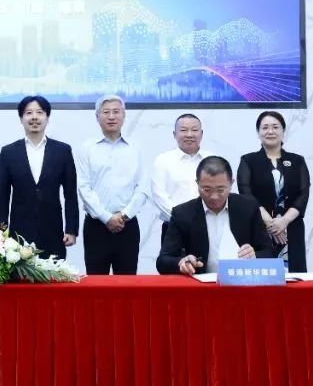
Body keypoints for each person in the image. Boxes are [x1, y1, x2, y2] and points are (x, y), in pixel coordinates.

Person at [156, 156, 273, 275]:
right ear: (197, 183)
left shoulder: (248, 208)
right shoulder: (182, 213)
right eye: (206, 190)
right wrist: (181, 262)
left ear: (231, 183)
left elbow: (269, 252)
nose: (214, 197)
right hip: (200, 283)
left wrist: (254, 256)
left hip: (241, 281)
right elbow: (163, 261)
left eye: (220, 190)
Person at [0, 95, 79, 259]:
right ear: (21, 118)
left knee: (54, 274)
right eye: (29, 113)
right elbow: (3, 197)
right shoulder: (8, 152)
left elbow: (70, 195)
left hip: (53, 231)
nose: (34, 117)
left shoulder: (62, 151)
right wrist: (1, 232)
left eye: (39, 112)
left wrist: (71, 229)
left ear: (47, 117)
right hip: (19, 234)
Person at [75, 94, 149, 275]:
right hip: (96, 226)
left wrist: (123, 215)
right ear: (97, 117)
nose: (111, 116)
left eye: (116, 112)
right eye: (106, 112)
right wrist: (106, 217)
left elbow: (143, 188)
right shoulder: (87, 148)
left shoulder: (136, 148)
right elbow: (83, 187)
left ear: (124, 115)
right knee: (96, 283)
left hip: (127, 225)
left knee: (127, 283)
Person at [237, 111, 311, 273]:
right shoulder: (248, 161)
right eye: (265, 127)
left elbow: (303, 194)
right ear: (258, 132)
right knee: (263, 275)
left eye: (275, 127)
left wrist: (284, 221)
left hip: (291, 227)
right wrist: (271, 224)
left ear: (283, 131)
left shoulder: (297, 161)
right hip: (260, 228)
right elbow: (246, 193)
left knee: (294, 276)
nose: (270, 131)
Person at [150, 113, 213, 246]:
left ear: (201, 134)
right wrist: (181, 220)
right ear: (174, 134)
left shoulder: (212, 160)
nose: (189, 134)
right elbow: (159, 196)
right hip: (173, 228)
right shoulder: (163, 160)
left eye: (194, 130)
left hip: (209, 227)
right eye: (183, 130)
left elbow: (221, 192)